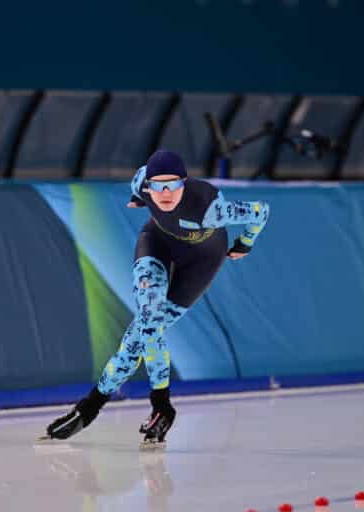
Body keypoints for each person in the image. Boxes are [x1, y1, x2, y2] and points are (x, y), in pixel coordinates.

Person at [42, 149, 270, 446]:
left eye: (173, 185)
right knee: (148, 322)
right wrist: (139, 199)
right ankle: (138, 406)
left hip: (202, 259)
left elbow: (260, 211)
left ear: (184, 183)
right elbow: (138, 189)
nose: (164, 193)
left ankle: (102, 407)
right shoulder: (141, 183)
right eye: (157, 186)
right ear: (147, 184)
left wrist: (245, 242)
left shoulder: (210, 208)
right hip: (157, 242)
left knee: (140, 338)